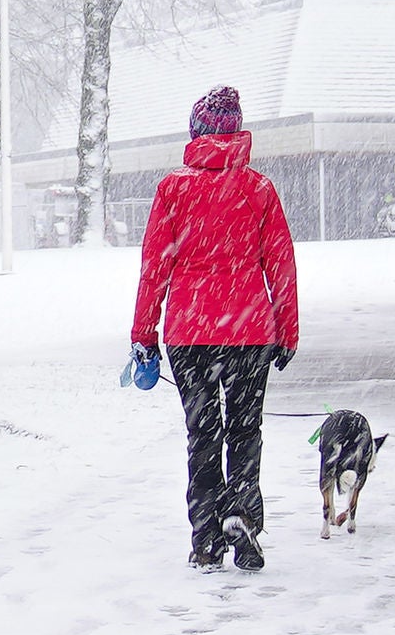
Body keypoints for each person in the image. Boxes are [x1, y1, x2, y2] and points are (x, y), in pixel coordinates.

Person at [128, 83, 300, 571]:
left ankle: (205, 536)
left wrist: (144, 335)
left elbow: (154, 268)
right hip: (249, 330)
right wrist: (287, 330)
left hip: (189, 331)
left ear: (197, 132)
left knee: (201, 433)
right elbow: (280, 265)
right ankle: (241, 512)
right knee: (245, 430)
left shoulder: (172, 188)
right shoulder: (259, 189)